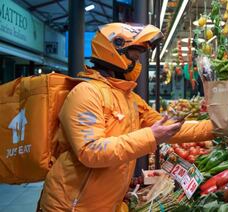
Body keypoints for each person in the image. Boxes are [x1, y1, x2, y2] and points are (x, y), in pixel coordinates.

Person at [38, 23, 215, 211]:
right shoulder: (86, 93)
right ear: (114, 51)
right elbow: (91, 151)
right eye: (135, 56)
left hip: (106, 204)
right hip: (71, 206)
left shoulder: (129, 98)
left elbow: (171, 128)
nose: (137, 64)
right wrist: (151, 136)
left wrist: (222, 127)